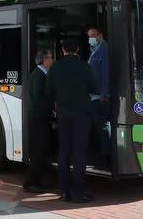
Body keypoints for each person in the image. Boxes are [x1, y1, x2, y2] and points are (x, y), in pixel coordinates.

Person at [45, 37, 98, 203]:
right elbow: (94, 87)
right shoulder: (85, 67)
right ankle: (78, 192)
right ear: (77, 50)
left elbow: (48, 91)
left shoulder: (56, 67)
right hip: (82, 113)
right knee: (79, 153)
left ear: (63, 50)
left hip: (63, 113)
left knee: (64, 151)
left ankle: (64, 191)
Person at [23, 49, 55, 193]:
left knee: (40, 151)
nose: (52, 60)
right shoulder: (39, 75)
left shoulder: (41, 74)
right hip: (38, 118)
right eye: (50, 58)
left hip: (39, 117)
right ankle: (32, 183)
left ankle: (35, 181)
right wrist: (51, 109)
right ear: (44, 60)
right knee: (38, 151)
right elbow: (39, 98)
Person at [87, 25, 111, 166]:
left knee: (102, 125)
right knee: (97, 125)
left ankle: (105, 155)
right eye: (89, 36)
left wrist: (104, 93)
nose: (90, 39)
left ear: (100, 35)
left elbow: (105, 72)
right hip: (92, 95)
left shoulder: (104, 49)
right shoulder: (94, 49)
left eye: (93, 35)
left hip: (99, 96)